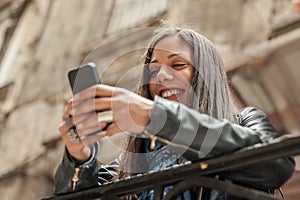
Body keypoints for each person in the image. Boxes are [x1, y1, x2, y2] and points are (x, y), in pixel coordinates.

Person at [54, 26, 295, 199]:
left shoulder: (245, 122)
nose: (161, 76)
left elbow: (276, 167)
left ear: (205, 74)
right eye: (153, 70)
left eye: (178, 65)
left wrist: (158, 117)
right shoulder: (131, 164)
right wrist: (79, 157)